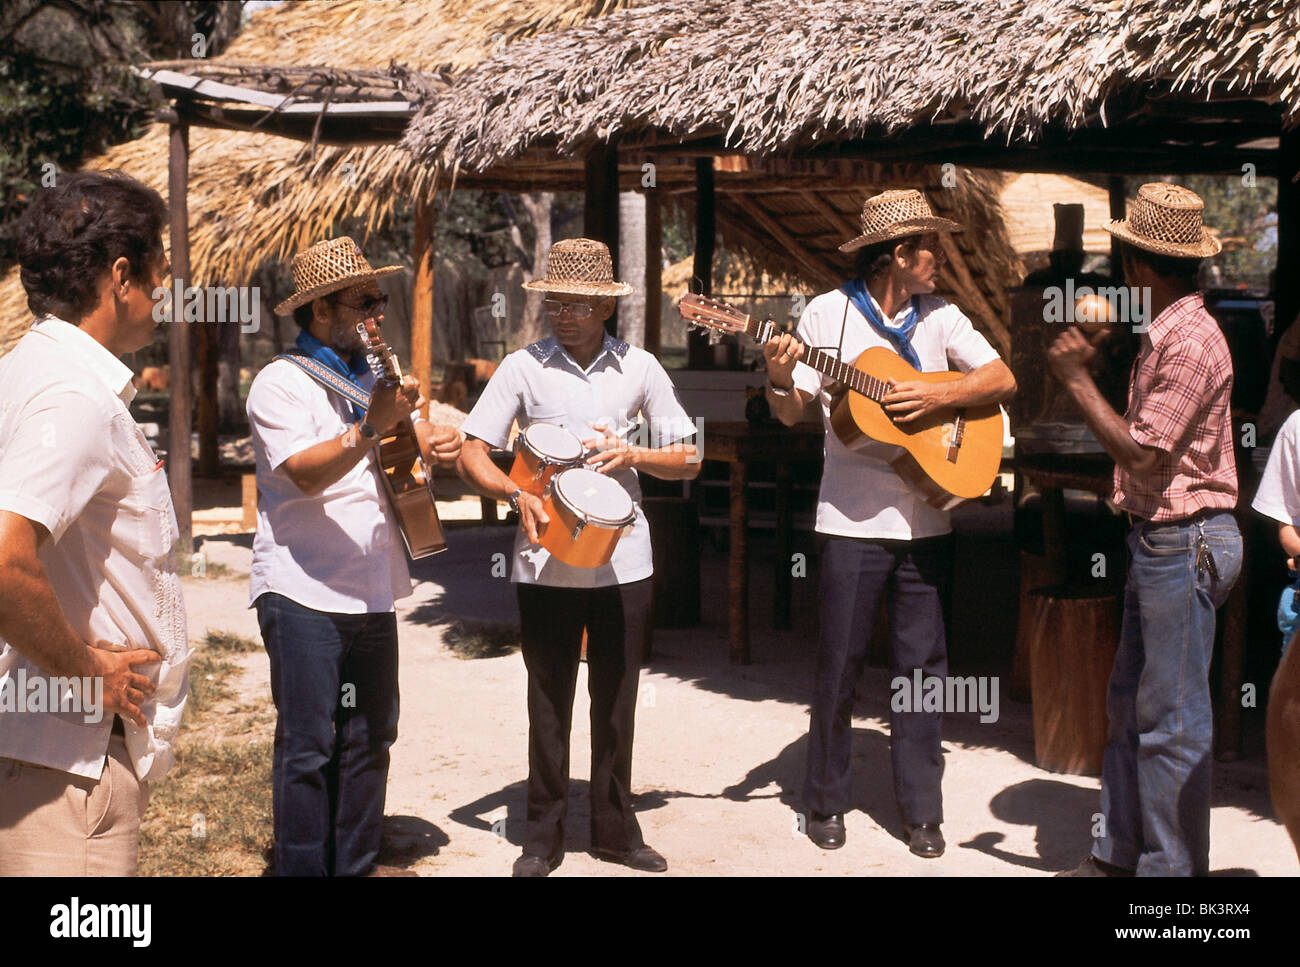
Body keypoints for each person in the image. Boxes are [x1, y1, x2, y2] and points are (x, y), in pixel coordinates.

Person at [764, 189, 1016, 859]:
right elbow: (793, 414)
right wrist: (778, 378)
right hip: (848, 520)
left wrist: (936, 392)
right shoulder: (829, 314)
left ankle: (923, 813)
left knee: (922, 672)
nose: (942, 257)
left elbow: (1000, 378)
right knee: (837, 667)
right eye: (931, 247)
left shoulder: (942, 318)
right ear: (899, 255)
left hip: (928, 519)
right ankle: (823, 800)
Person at [457, 238, 700, 877]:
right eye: (553, 303)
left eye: (576, 304)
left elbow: (691, 456)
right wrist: (514, 492)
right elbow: (470, 452)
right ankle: (542, 838)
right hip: (544, 559)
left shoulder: (642, 368)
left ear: (604, 305)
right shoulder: (521, 367)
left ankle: (617, 833)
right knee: (548, 699)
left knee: (617, 699)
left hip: (626, 560)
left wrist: (637, 455)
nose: (562, 314)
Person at [247, 236, 462, 877]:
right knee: (309, 746)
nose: (377, 313)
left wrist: (433, 441)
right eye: (363, 301)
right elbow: (307, 474)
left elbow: (406, 455)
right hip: (302, 590)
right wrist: (370, 424)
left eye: (380, 300)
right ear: (321, 309)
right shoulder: (279, 383)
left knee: (372, 737)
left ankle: (357, 866)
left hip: (372, 588)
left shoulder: (371, 379)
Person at [1049, 183, 1241, 877]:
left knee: (1173, 724)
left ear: (1136, 264)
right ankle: (1119, 859)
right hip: (1159, 541)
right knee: (1132, 706)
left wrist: (1075, 379)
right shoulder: (1169, 333)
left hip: (1183, 541)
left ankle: (1171, 880)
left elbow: (1143, 455)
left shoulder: (1189, 343)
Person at [0, 169, 189, 875]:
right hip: (64, 773)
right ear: (120, 277)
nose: (165, 293)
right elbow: (3, 559)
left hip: (40, 755)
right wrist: (86, 674)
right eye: (159, 274)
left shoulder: (24, 372)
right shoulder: (73, 398)